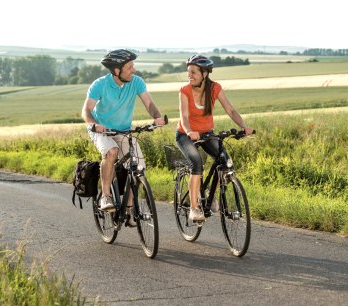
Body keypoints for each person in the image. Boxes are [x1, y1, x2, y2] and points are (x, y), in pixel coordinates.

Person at [81, 49, 165, 226]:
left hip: (124, 131)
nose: (133, 70)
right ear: (116, 70)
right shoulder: (100, 84)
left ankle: (128, 208)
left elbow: (149, 104)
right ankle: (105, 196)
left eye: (132, 66)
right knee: (111, 152)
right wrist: (94, 124)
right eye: (129, 67)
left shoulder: (136, 82)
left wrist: (157, 117)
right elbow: (86, 110)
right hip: (101, 130)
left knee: (138, 167)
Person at [176, 54, 254, 222]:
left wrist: (243, 126)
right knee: (197, 163)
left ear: (205, 74)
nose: (189, 75)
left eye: (193, 72)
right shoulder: (185, 90)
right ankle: (194, 208)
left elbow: (231, 110)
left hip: (206, 133)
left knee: (225, 162)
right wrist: (189, 131)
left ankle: (211, 196)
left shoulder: (215, 88)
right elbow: (184, 117)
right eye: (188, 72)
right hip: (185, 134)